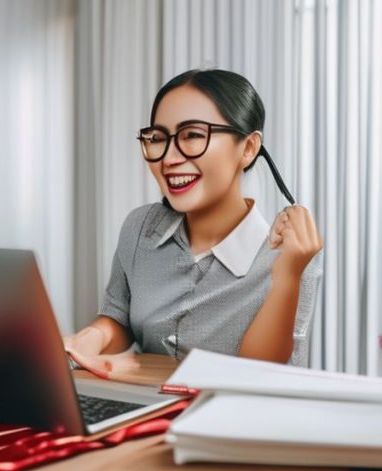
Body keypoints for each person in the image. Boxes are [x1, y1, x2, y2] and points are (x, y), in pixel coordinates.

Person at [64, 68, 323, 378]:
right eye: (158, 138)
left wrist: (288, 276)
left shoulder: (291, 254)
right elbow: (118, 316)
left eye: (193, 136)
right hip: (143, 414)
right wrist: (89, 339)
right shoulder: (139, 227)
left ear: (249, 148)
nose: (169, 158)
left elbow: (259, 374)